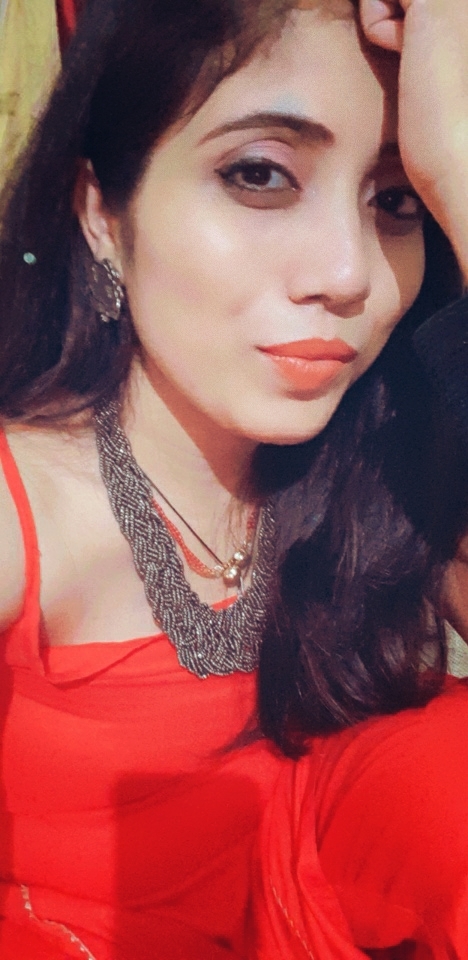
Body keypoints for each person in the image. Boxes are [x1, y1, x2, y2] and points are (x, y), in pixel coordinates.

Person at [0, 0, 466, 958]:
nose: (348, 274)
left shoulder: (391, 490)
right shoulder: (21, 510)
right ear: (100, 213)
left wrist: (461, 175)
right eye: (259, 175)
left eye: (396, 202)